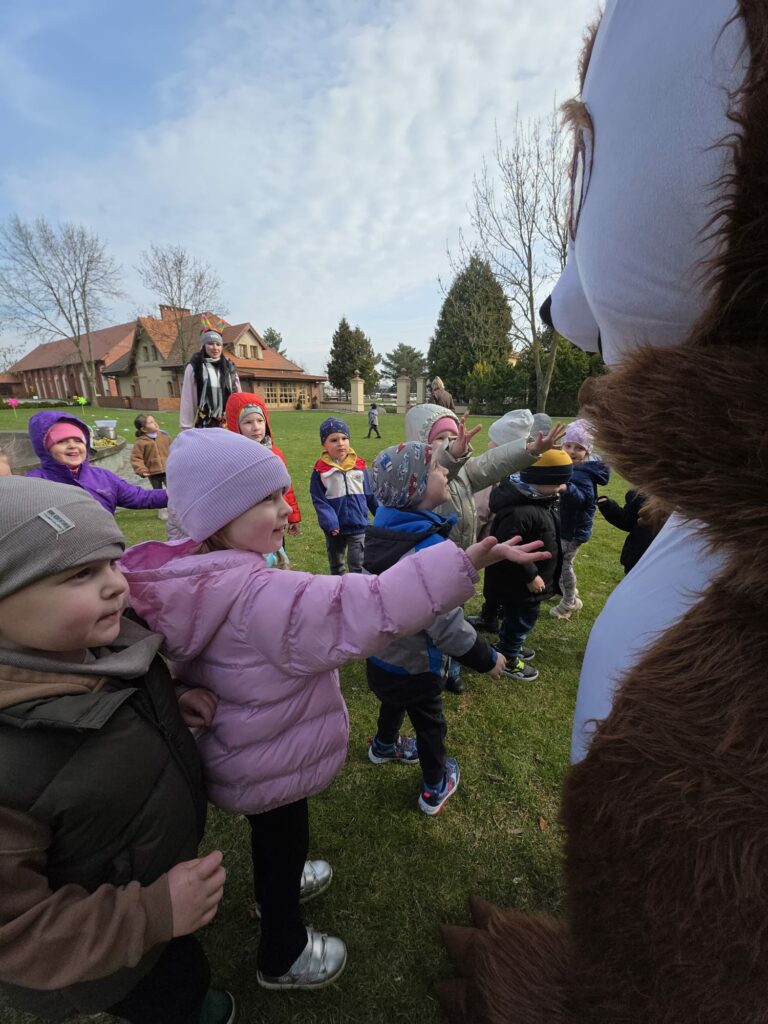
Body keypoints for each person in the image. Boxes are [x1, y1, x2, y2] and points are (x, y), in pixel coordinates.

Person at [120, 428, 538, 991]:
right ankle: (283, 952)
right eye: (265, 500)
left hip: (244, 749)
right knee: (284, 836)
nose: (284, 509)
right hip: (272, 758)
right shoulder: (261, 594)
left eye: (282, 495)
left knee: (273, 836)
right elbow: (366, 607)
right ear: (217, 519)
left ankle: (282, 884)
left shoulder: (192, 579)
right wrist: (461, 563)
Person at [0, 476, 233, 1024]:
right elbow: (16, 931)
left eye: (111, 562)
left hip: (155, 875)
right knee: (170, 996)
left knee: (182, 966)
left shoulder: (99, 646)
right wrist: (152, 914)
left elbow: (118, 705)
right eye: (80, 574)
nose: (116, 585)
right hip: (105, 952)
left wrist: (172, 699)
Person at [364, 443, 548, 815]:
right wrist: (487, 658)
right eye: (436, 468)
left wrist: (474, 558)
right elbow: (447, 627)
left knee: (393, 701)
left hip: (381, 657)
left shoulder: (383, 529)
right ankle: (435, 786)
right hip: (417, 665)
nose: (445, 471)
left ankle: (384, 745)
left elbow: (417, 578)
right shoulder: (427, 549)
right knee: (430, 725)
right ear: (415, 489)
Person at [406, 403, 564, 692]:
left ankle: (452, 666)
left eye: (452, 437)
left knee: (454, 613)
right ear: (419, 441)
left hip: (459, 558)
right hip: (428, 562)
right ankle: (429, 665)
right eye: (440, 438)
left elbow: (492, 463)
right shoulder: (414, 475)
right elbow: (438, 466)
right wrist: (451, 454)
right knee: (431, 618)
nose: (450, 443)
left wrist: (528, 449)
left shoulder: (465, 471)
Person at [484, 449, 573, 682]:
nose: (562, 488)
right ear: (540, 480)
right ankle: (508, 656)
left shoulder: (540, 500)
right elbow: (509, 549)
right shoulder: (521, 511)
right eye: (558, 483)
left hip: (525, 583)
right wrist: (530, 576)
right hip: (520, 584)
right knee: (522, 620)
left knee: (516, 618)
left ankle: (509, 643)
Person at [26, 411, 168, 516]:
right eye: (61, 441)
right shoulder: (35, 483)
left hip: (107, 546)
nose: (72, 446)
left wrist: (176, 494)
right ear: (45, 448)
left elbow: (140, 497)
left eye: (78, 440)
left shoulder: (103, 477)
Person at [549, 419, 610, 621]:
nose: (572, 451)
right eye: (568, 445)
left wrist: (566, 488)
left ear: (587, 451)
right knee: (561, 562)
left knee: (563, 565)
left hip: (574, 529)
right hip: (567, 524)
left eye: (579, 448)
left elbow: (585, 500)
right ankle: (567, 591)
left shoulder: (582, 473)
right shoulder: (574, 467)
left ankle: (569, 602)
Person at [225, 392, 301, 534]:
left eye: (260, 420)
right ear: (236, 425)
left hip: (276, 519)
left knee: (277, 547)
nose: (256, 427)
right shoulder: (233, 458)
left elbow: (286, 487)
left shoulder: (275, 454)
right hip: (250, 524)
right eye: (248, 422)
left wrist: (293, 516)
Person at [310, 417, 377, 575]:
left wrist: (381, 515)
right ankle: (337, 588)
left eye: (344, 438)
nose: (340, 443)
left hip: (359, 525)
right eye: (334, 440)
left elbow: (370, 494)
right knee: (337, 566)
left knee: (358, 566)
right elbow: (319, 500)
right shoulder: (320, 471)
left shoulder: (359, 467)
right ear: (324, 445)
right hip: (335, 529)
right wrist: (330, 522)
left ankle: (356, 589)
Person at [179, 329, 240, 429]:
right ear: (203, 346)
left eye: (218, 344)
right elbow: (188, 399)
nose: (215, 348)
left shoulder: (229, 367)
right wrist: (186, 427)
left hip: (229, 423)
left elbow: (238, 395)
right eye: (210, 344)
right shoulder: (195, 367)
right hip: (206, 423)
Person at [131, 413, 172, 522]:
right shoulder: (141, 442)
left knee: (172, 489)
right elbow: (136, 458)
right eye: (151, 422)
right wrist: (141, 470)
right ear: (144, 429)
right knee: (157, 492)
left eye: (154, 421)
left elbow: (173, 450)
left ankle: (174, 508)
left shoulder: (164, 436)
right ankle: (162, 511)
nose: (155, 423)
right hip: (153, 473)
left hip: (167, 470)